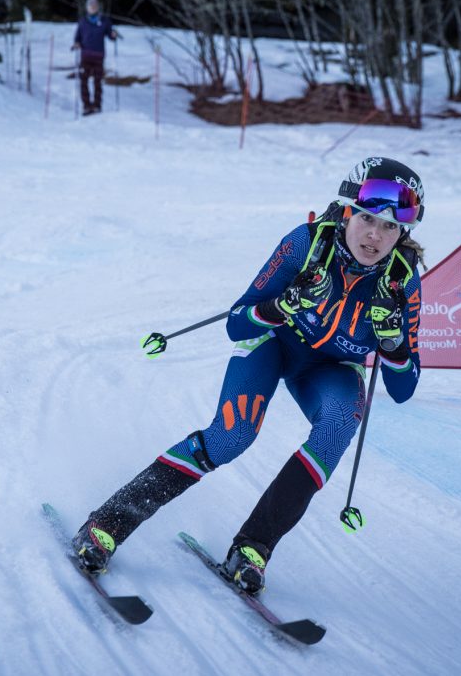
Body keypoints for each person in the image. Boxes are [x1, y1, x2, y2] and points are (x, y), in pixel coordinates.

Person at [71, 157, 427, 594]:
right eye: (368, 218)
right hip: (272, 346)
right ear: (349, 210)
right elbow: (237, 324)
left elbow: (404, 388)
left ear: (403, 233)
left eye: (390, 228)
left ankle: (253, 549)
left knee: (337, 426)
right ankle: (107, 523)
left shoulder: (402, 282)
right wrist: (280, 307)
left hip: (330, 369)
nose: (375, 235)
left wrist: (393, 344)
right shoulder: (306, 244)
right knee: (232, 436)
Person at [71, 0, 117, 115]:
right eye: (90, 5)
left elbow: (111, 36)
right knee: (84, 81)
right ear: (87, 8)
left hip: (98, 56)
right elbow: (77, 38)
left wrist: (113, 34)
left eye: (95, 5)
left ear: (97, 7)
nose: (93, 7)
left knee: (97, 81)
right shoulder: (83, 22)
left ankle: (97, 105)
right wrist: (76, 44)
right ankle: (87, 105)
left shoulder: (104, 21)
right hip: (85, 55)